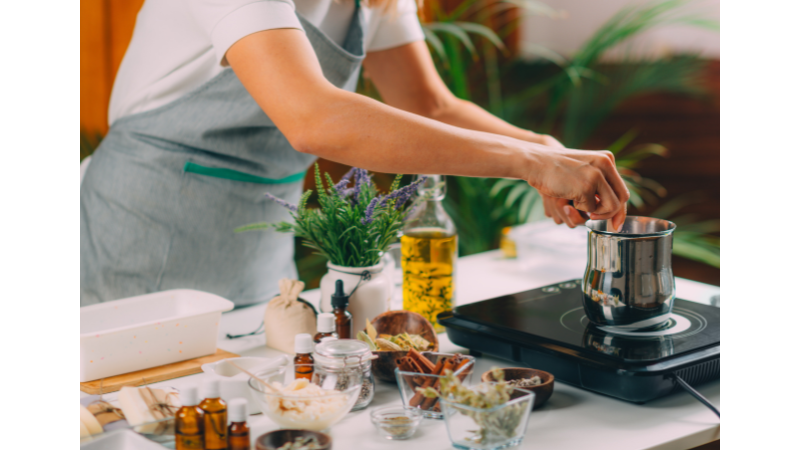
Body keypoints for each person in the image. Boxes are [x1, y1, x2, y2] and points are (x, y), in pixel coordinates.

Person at [80, 0, 629, 306]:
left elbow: (430, 105)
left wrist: (545, 150)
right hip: (147, 230)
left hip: (261, 230)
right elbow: (311, 117)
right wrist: (528, 164)